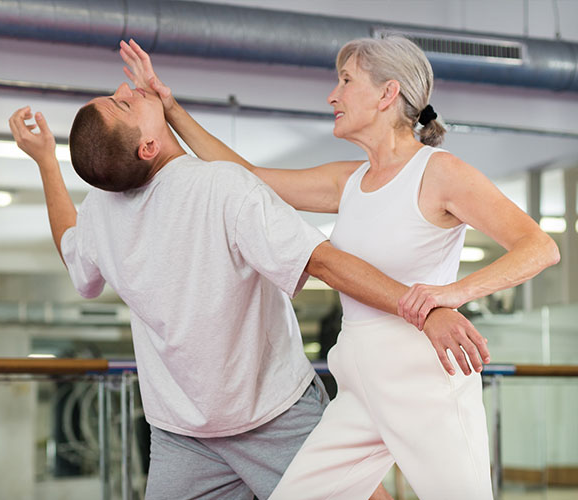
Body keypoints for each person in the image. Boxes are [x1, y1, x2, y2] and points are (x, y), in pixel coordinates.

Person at [8, 61, 488, 499]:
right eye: (123, 102)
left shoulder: (99, 215)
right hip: (223, 429)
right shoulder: (222, 187)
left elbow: (76, 261)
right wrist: (425, 309)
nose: (123, 87)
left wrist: (46, 161)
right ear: (148, 146)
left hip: (213, 425)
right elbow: (322, 262)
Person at [118, 36, 560, 500]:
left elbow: (539, 247)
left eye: (346, 81)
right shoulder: (347, 181)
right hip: (358, 382)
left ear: (388, 94)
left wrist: (454, 293)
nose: (333, 94)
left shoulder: (440, 172)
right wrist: (169, 106)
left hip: (424, 381)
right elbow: (243, 176)